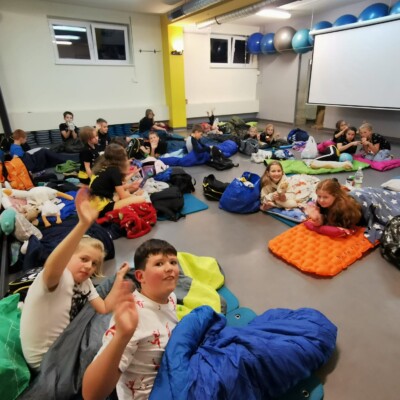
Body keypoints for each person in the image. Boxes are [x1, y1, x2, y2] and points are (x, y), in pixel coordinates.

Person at [20, 188, 130, 370]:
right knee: (116, 332)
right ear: (69, 256)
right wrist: (83, 225)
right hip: (48, 363)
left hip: (65, 344)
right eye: (84, 259)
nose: (89, 266)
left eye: (94, 264)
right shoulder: (58, 277)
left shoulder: (85, 282)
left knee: (112, 295)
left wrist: (119, 278)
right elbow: (53, 265)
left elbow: (104, 308)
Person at [82, 238, 179, 400]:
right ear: (140, 276)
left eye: (173, 262)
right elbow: (91, 395)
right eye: (159, 264)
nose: (170, 268)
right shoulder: (134, 318)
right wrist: (122, 335)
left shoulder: (171, 297)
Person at [89, 143, 146, 217]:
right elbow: (123, 196)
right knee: (141, 199)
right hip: (101, 209)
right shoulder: (114, 170)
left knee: (126, 192)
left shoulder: (104, 166)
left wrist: (130, 185)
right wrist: (135, 195)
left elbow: (116, 186)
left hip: (93, 205)